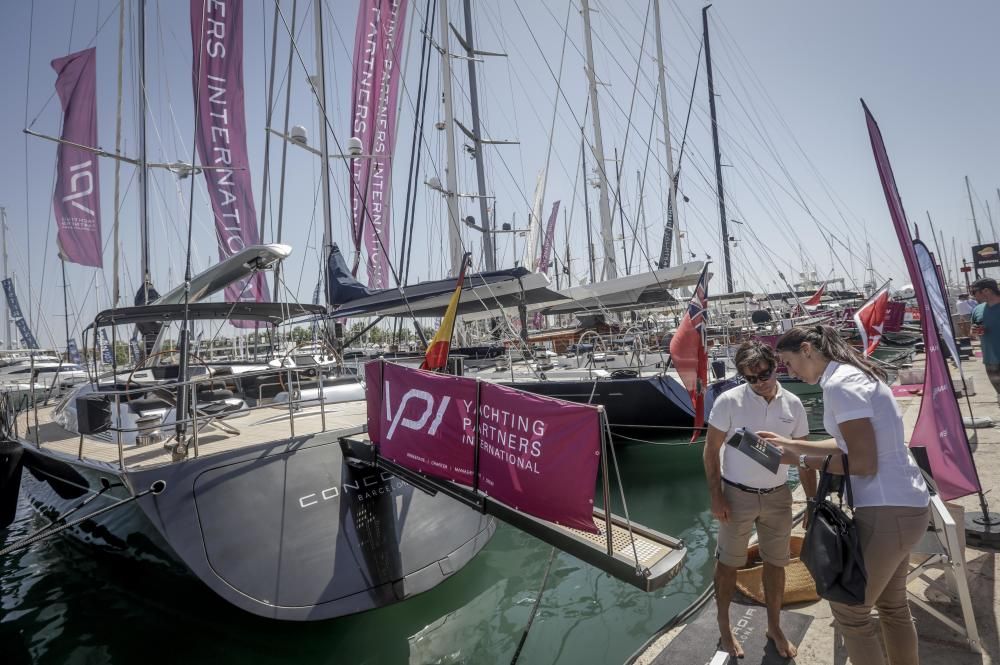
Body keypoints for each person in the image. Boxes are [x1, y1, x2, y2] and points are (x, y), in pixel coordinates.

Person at [759, 325, 930, 665]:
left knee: (850, 610)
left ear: (807, 349)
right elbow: (850, 443)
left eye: (788, 362)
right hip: (907, 503)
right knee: (892, 606)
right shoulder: (854, 376)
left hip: (886, 509)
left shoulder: (839, 386)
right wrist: (791, 443)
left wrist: (801, 461)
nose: (787, 371)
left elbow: (863, 462)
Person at [703, 340, 816, 659]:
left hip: (778, 497)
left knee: (777, 563)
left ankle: (775, 626)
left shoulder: (793, 404)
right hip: (735, 495)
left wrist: (811, 500)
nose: (759, 381)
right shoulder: (728, 401)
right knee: (727, 564)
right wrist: (716, 496)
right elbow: (710, 452)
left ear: (775, 365)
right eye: (750, 377)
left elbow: (804, 454)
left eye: (764, 373)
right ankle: (724, 627)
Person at [969, 277, 1000, 405]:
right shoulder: (977, 309)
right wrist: (973, 331)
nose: (973, 295)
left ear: (986, 290)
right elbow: (972, 333)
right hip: (991, 361)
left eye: (974, 291)